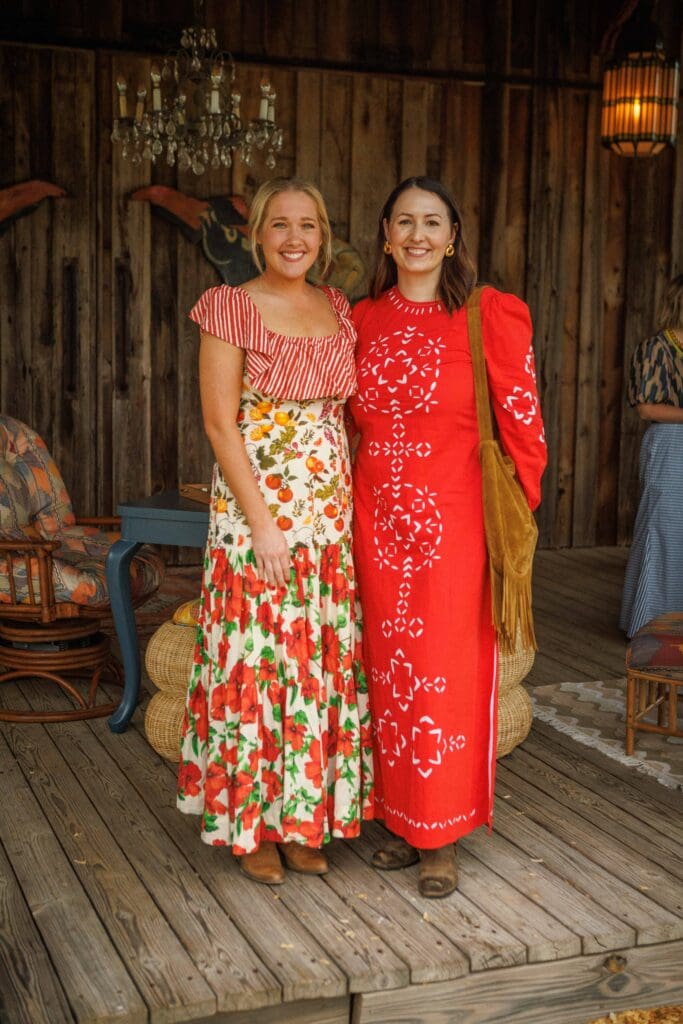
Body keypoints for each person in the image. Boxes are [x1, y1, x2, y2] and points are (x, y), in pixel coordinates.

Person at [348, 176, 547, 897]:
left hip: (456, 525)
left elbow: (524, 426)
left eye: (432, 222)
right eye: (404, 221)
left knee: (446, 676)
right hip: (374, 521)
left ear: (452, 236)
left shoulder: (487, 313)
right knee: (387, 674)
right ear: (384, 234)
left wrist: (512, 523)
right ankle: (402, 820)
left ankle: (442, 838)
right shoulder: (360, 318)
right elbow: (341, 423)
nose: (417, 235)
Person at [177, 177, 374, 884]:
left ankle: (301, 820)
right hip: (257, 513)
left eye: (309, 226)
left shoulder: (337, 307)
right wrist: (262, 524)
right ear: (255, 234)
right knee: (255, 663)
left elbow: (342, 418)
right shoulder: (229, 306)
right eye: (280, 225)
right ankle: (248, 826)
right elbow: (218, 423)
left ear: (323, 237)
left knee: (313, 665)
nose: (295, 239)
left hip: (328, 514)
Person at [619, 275, 683, 639]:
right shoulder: (655, 349)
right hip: (670, 446)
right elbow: (645, 408)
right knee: (662, 530)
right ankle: (650, 621)